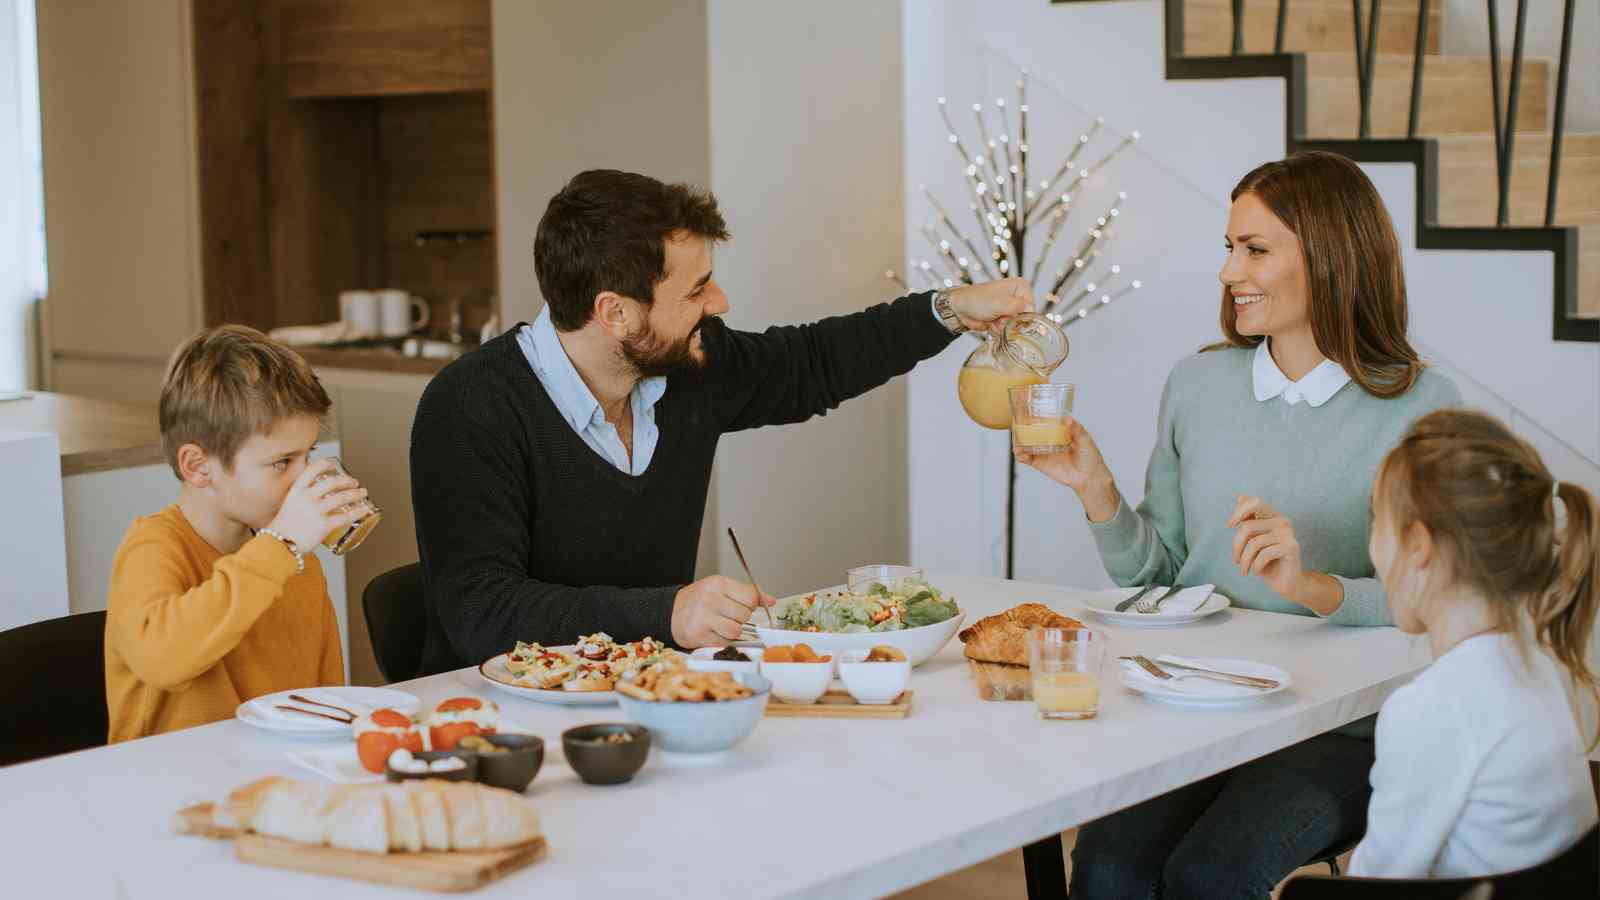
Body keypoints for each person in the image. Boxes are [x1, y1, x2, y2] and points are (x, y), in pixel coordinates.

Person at [1015, 152, 1462, 898]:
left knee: (1210, 876)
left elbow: (1446, 598)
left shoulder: (1422, 407)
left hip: (1341, 728)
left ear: (1330, 259)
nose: (1228, 271)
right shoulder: (1197, 384)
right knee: (1107, 867)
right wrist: (1097, 492)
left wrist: (1311, 584)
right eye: (1229, 248)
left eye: (1254, 250)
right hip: (1197, 704)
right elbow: (1159, 577)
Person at [410, 169, 1030, 673]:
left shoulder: (687, 367)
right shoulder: (471, 406)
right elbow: (482, 612)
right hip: (505, 718)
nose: (720, 303)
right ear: (616, 313)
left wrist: (949, 310)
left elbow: (813, 363)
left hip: (655, 693)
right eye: (697, 290)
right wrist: (667, 613)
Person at [1348, 408, 1598, 877]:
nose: (1372, 551)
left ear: (1417, 544)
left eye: (1375, 523)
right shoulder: (1541, 669)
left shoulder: (1432, 709)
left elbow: (1377, 882)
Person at [105, 326, 363, 741]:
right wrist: (281, 545)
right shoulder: (154, 548)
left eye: (309, 454)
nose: (304, 479)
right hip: (165, 788)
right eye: (282, 462)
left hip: (272, 779)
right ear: (198, 467)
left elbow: (325, 699)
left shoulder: (295, 562)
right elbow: (162, 660)